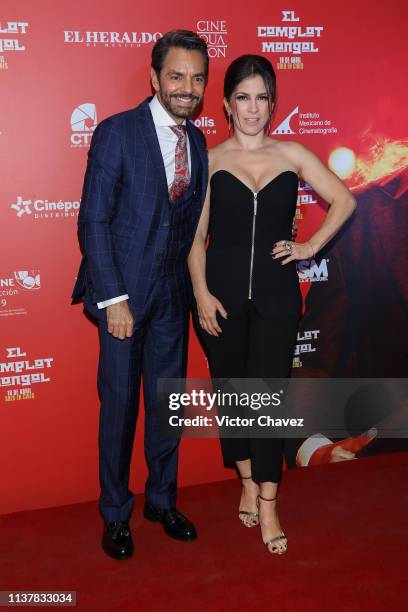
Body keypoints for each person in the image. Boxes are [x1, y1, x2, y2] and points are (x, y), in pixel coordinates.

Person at [188, 55, 356, 555]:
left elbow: (344, 201)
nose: (253, 108)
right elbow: (195, 237)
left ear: (272, 103)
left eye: (262, 97)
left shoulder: (293, 152)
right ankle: (244, 479)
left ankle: (267, 500)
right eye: (243, 97)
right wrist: (199, 293)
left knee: (266, 401)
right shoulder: (211, 159)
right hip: (219, 296)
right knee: (235, 398)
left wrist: (308, 248)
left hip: (279, 299)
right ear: (226, 103)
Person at [72, 30, 209, 559]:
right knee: (121, 408)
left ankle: (160, 499)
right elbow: (94, 220)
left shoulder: (196, 141)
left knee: (165, 408)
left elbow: (190, 225)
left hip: (173, 299)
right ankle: (115, 512)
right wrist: (114, 299)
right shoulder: (117, 132)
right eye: (177, 76)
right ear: (154, 78)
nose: (187, 88)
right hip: (124, 302)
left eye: (197, 79)